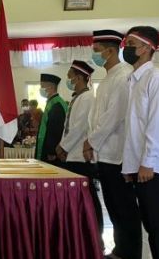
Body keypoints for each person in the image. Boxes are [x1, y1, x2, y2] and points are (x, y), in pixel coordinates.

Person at [122, 26, 159, 258]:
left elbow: (158, 124)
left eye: (131, 44)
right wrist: (130, 166)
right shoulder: (134, 79)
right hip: (141, 166)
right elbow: (134, 129)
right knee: (151, 225)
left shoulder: (158, 78)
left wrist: (147, 162)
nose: (126, 49)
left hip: (153, 168)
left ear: (147, 47)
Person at [84, 30, 140, 259]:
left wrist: (91, 141)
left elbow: (113, 116)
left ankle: (131, 253)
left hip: (118, 153)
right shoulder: (108, 77)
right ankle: (120, 249)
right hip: (105, 153)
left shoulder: (123, 75)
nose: (94, 55)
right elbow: (97, 117)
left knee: (125, 208)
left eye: (96, 51)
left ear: (110, 50)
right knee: (114, 207)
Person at [55, 61, 103, 241]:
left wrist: (63, 146)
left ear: (80, 76)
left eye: (70, 75)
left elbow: (79, 126)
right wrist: (63, 144)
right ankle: (79, 234)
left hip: (80, 156)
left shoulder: (88, 97)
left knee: (88, 198)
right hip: (72, 155)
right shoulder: (77, 97)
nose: (68, 78)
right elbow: (68, 127)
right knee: (77, 198)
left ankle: (95, 236)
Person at [35, 74, 67, 164]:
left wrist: (52, 151)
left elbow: (56, 129)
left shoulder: (56, 105)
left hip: (52, 154)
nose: (40, 89)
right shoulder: (52, 102)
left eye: (42, 86)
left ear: (51, 87)